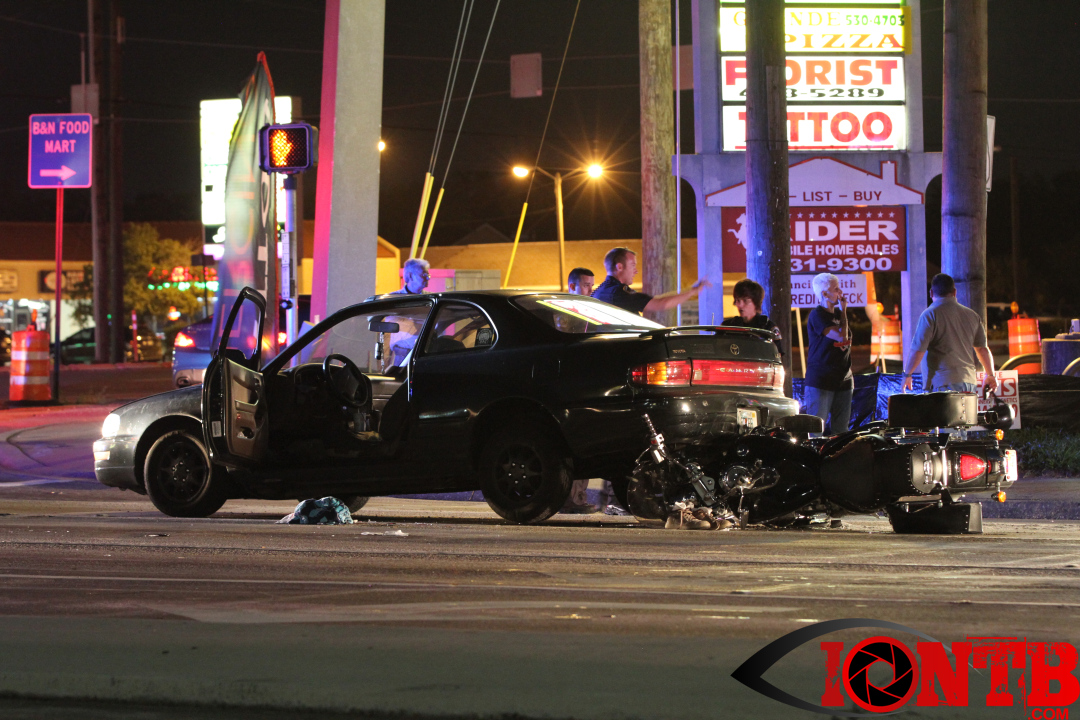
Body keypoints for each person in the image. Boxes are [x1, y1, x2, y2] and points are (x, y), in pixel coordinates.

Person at [902, 273, 998, 395]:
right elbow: (982, 349)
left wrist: (907, 374)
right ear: (954, 292)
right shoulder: (972, 315)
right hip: (969, 384)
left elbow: (918, 350)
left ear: (931, 293)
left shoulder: (930, 315)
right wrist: (990, 375)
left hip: (942, 384)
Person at [561, 267, 600, 514]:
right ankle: (573, 498)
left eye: (592, 285)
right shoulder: (565, 313)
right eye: (586, 285)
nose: (590, 290)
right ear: (572, 286)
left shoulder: (587, 311)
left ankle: (576, 497)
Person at [592, 247, 710, 315]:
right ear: (620, 267)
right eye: (633, 265)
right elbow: (661, 304)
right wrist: (692, 291)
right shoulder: (619, 293)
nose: (636, 271)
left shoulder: (598, 292)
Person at [803, 273, 853, 435]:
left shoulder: (838, 315)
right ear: (824, 293)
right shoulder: (817, 315)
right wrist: (844, 312)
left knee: (841, 431)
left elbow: (846, 339)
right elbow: (841, 337)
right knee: (817, 430)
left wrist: (842, 313)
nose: (840, 292)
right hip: (822, 380)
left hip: (844, 380)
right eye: (836, 289)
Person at [385, 258, 431, 367]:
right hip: (402, 355)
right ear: (410, 276)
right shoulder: (393, 299)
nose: (428, 278)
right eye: (424, 275)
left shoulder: (431, 299)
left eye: (428, 275)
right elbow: (384, 330)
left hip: (425, 354)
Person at [721, 278, 783, 355]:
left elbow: (777, 355)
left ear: (756, 302)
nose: (740, 305)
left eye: (745, 301)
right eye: (738, 300)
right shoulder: (728, 326)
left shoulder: (768, 327)